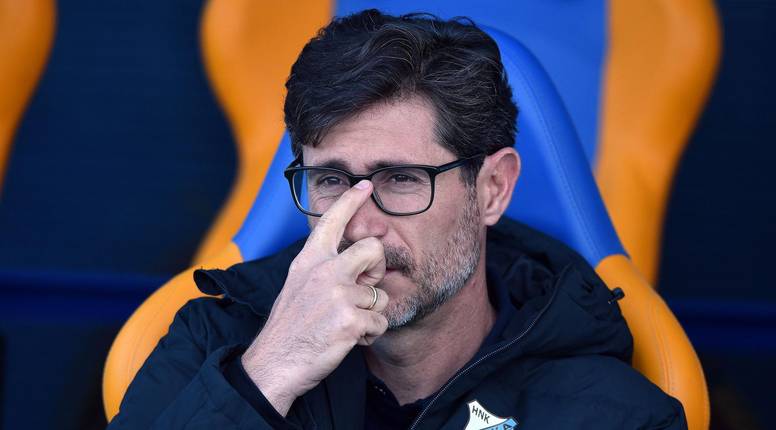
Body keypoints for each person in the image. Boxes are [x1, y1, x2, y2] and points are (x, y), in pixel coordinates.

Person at [108, 9, 687, 429]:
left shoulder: (611, 412)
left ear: (492, 189)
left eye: (403, 179)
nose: (360, 227)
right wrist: (271, 370)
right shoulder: (211, 345)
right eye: (331, 181)